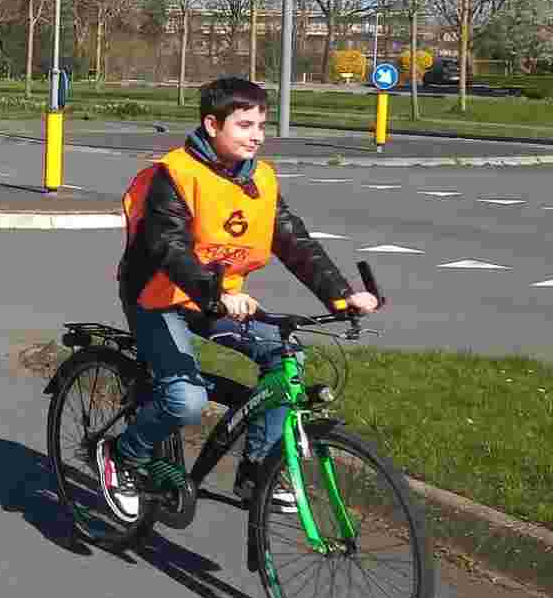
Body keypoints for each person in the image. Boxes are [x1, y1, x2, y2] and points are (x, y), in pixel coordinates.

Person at [108, 75, 379, 516]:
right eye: (245, 125)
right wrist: (214, 291)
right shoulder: (175, 173)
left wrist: (342, 296)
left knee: (285, 358)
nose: (257, 136)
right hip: (157, 296)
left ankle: (257, 473)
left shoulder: (261, 180)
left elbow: (294, 242)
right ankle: (123, 456)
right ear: (212, 125)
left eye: (261, 125)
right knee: (186, 399)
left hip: (217, 297)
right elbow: (168, 247)